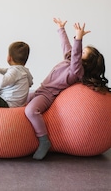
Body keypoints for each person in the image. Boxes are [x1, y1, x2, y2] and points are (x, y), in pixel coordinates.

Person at [25, 17, 110, 161]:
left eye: (83, 53)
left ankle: (43, 140)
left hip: (48, 95)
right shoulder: (69, 60)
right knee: (21, 100)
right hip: (41, 90)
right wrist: (61, 29)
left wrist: (79, 38)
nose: (78, 52)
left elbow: (75, 56)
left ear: (85, 62)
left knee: (30, 110)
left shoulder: (76, 71)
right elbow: (67, 47)